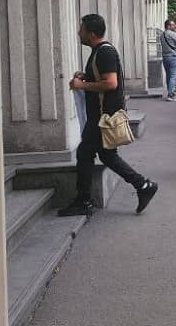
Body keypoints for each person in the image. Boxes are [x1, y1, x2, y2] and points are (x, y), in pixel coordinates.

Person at [58, 14, 157, 216]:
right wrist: (85, 77)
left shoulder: (104, 52)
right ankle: (143, 185)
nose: (78, 33)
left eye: (81, 30)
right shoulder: (99, 51)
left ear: (91, 34)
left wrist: (82, 84)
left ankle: (84, 200)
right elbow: (103, 78)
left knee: (86, 153)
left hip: (103, 117)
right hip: (101, 116)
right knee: (105, 155)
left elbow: (111, 83)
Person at [160, 19, 176, 101]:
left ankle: (169, 92)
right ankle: (171, 95)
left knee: (168, 76)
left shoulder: (162, 35)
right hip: (173, 57)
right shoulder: (173, 34)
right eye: (173, 25)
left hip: (165, 57)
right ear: (168, 26)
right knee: (173, 76)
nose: (174, 26)